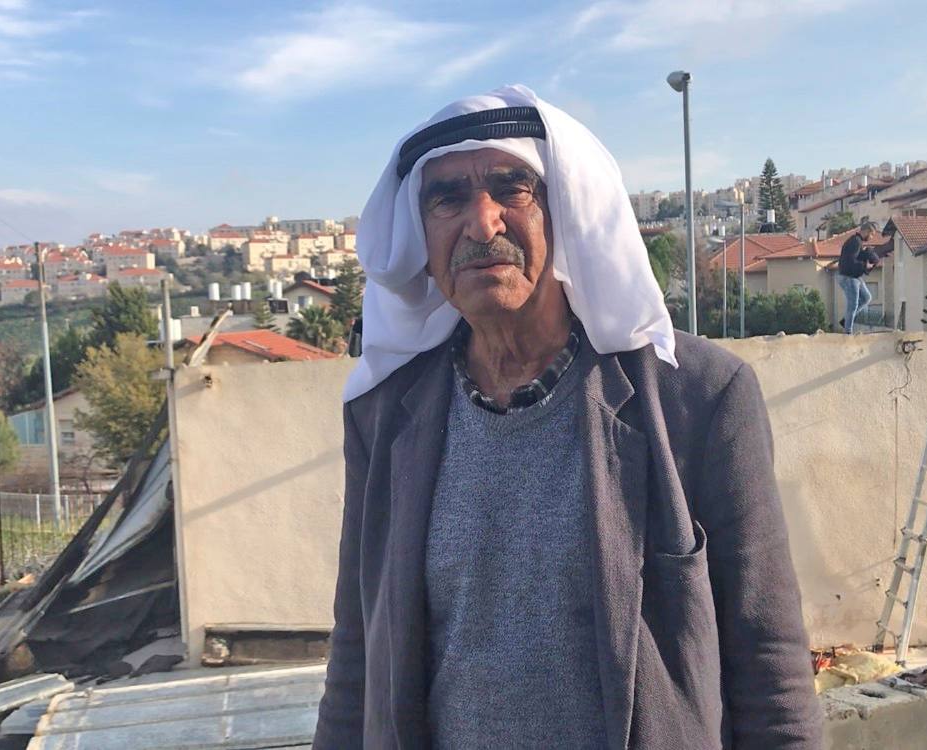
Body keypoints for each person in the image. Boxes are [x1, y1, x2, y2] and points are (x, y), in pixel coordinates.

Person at [313, 85, 821, 749]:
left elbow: (769, 665)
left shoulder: (696, 401)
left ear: (568, 209)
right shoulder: (384, 417)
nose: (482, 222)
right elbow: (357, 651)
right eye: (448, 198)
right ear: (420, 233)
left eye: (510, 187)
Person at [837, 221, 880, 334]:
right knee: (853, 304)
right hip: (848, 277)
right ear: (866, 231)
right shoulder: (855, 242)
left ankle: (846, 320)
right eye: (871, 234)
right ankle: (848, 333)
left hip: (854, 277)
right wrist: (865, 265)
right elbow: (849, 262)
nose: (871, 237)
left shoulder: (857, 242)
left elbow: (855, 257)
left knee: (866, 297)